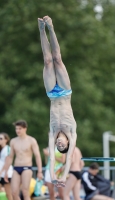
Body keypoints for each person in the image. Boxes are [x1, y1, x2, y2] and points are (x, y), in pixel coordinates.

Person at [38, 16, 77, 187]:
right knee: (57, 59)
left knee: (47, 61)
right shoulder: (71, 132)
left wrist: (53, 176)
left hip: (52, 94)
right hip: (65, 91)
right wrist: (65, 175)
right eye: (63, 146)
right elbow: (68, 158)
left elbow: (53, 157)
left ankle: (41, 29)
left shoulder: (52, 133)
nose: (60, 145)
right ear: (67, 142)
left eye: (58, 146)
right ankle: (51, 27)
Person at [2, 120, 43, 200]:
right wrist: (6, 171)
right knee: (13, 193)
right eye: (16, 129)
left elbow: (37, 156)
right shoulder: (13, 141)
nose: (17, 131)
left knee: (25, 192)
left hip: (27, 168)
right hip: (16, 168)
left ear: (25, 129)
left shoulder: (31, 140)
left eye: (20, 128)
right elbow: (10, 157)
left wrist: (40, 171)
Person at [0, 133, 13, 200]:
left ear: (6, 140)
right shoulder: (1, 149)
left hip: (6, 173)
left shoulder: (8, 148)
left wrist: (1, 171)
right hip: (1, 173)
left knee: (8, 193)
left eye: (1, 138)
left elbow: (7, 161)